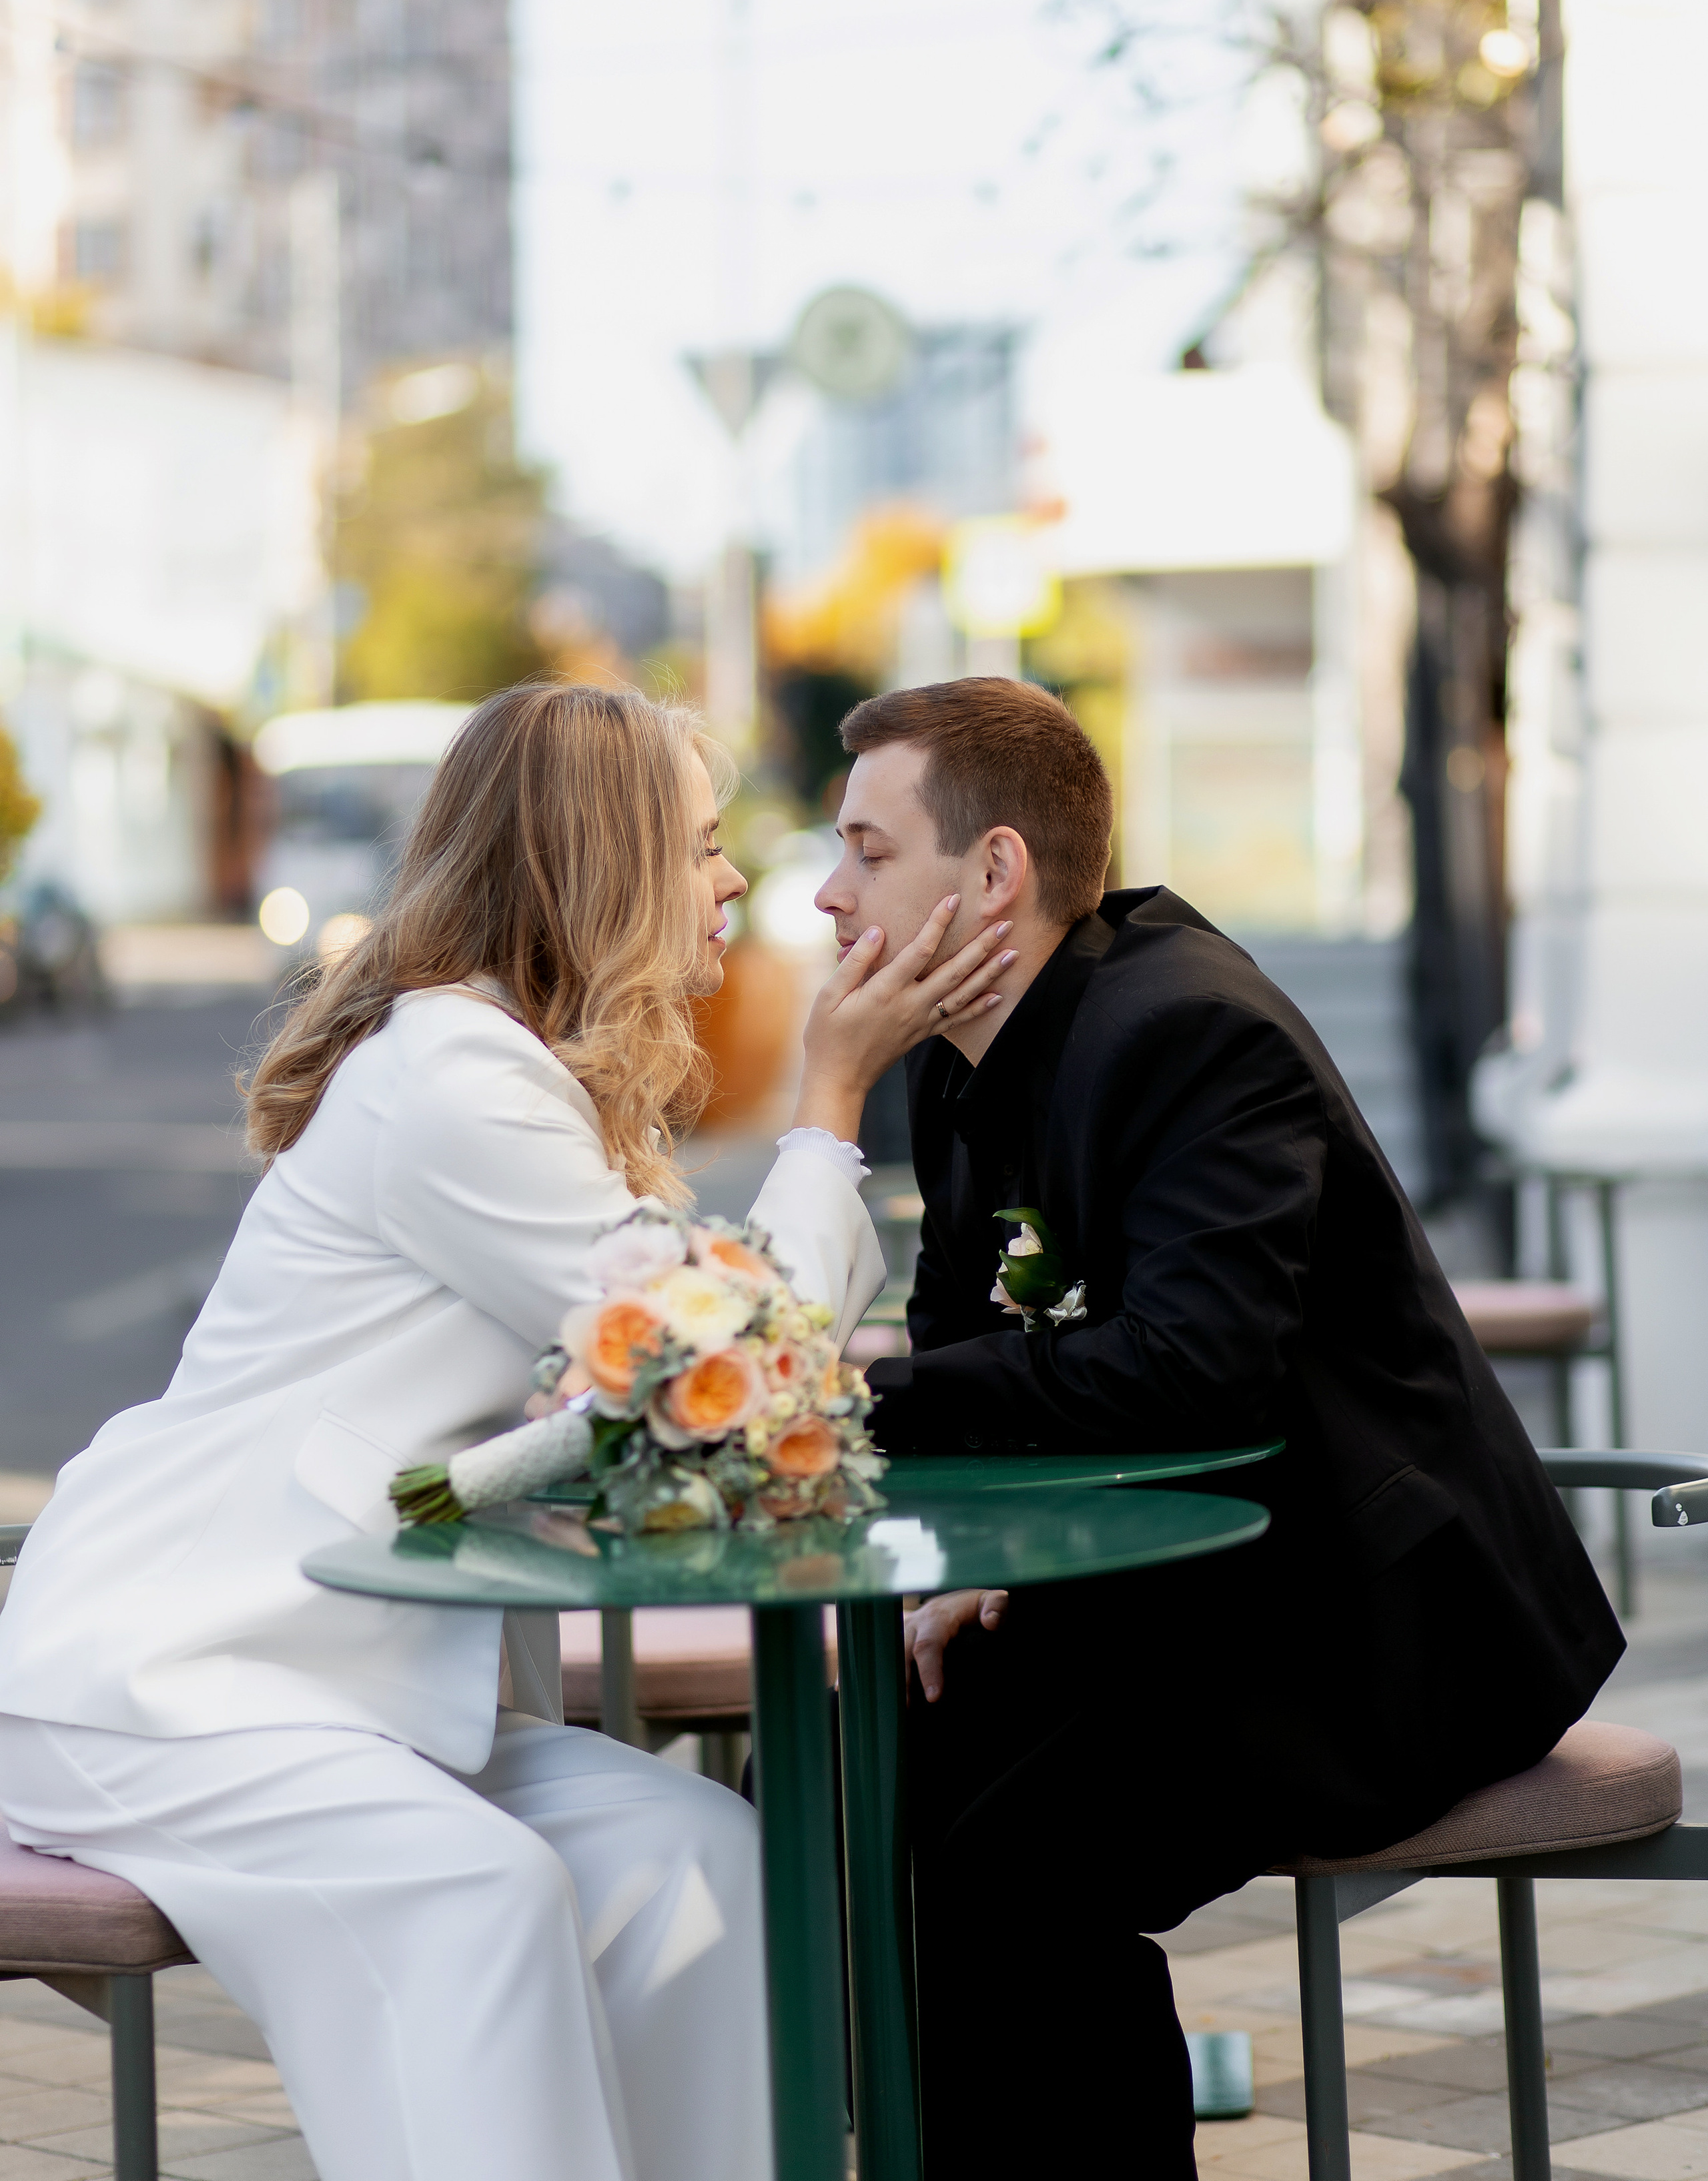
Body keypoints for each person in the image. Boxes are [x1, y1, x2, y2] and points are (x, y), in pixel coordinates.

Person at [0, 681, 1013, 2181]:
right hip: (175, 1679)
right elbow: (739, 1369)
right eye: (699, 843)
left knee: (702, 1861)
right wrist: (829, 1097)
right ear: (597, 864)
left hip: (356, 1691)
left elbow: (705, 1367)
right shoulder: (452, 1075)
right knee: (476, 1900)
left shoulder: (524, 1074)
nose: (734, 878)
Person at [811, 675, 1625, 2181]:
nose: (823, 891)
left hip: (1374, 1623)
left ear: (990, 871)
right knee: (847, 1796)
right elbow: (962, 1334)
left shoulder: (1186, 1028)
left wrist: (843, 1405)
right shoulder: (953, 1058)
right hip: (1182, 1590)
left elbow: (1192, 1372)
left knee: (1001, 1861)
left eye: (865, 848)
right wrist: (979, 1565)